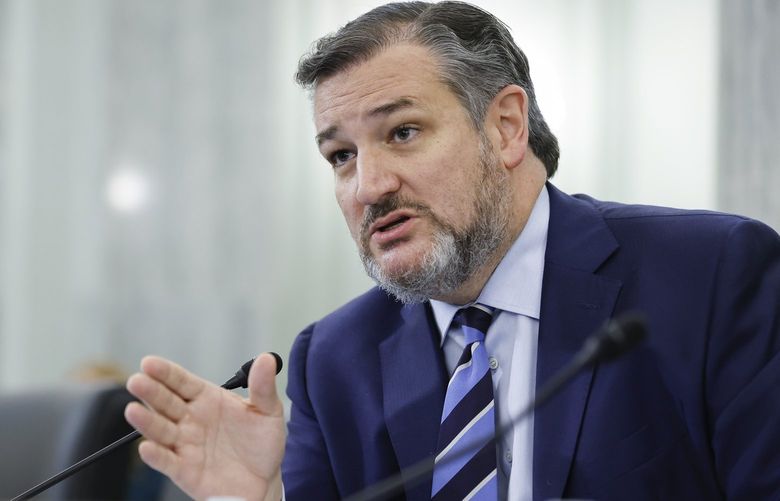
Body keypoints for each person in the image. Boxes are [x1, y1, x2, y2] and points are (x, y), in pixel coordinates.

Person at [124, 2, 780, 500]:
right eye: (340, 156)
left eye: (403, 131)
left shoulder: (713, 276)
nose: (368, 185)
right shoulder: (334, 359)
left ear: (505, 127)